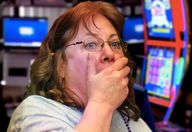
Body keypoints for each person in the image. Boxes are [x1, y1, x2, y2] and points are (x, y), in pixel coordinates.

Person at [7, 1, 152, 132]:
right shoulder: (35, 112)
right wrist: (102, 103)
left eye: (114, 43)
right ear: (60, 65)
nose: (109, 52)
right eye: (91, 44)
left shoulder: (127, 114)